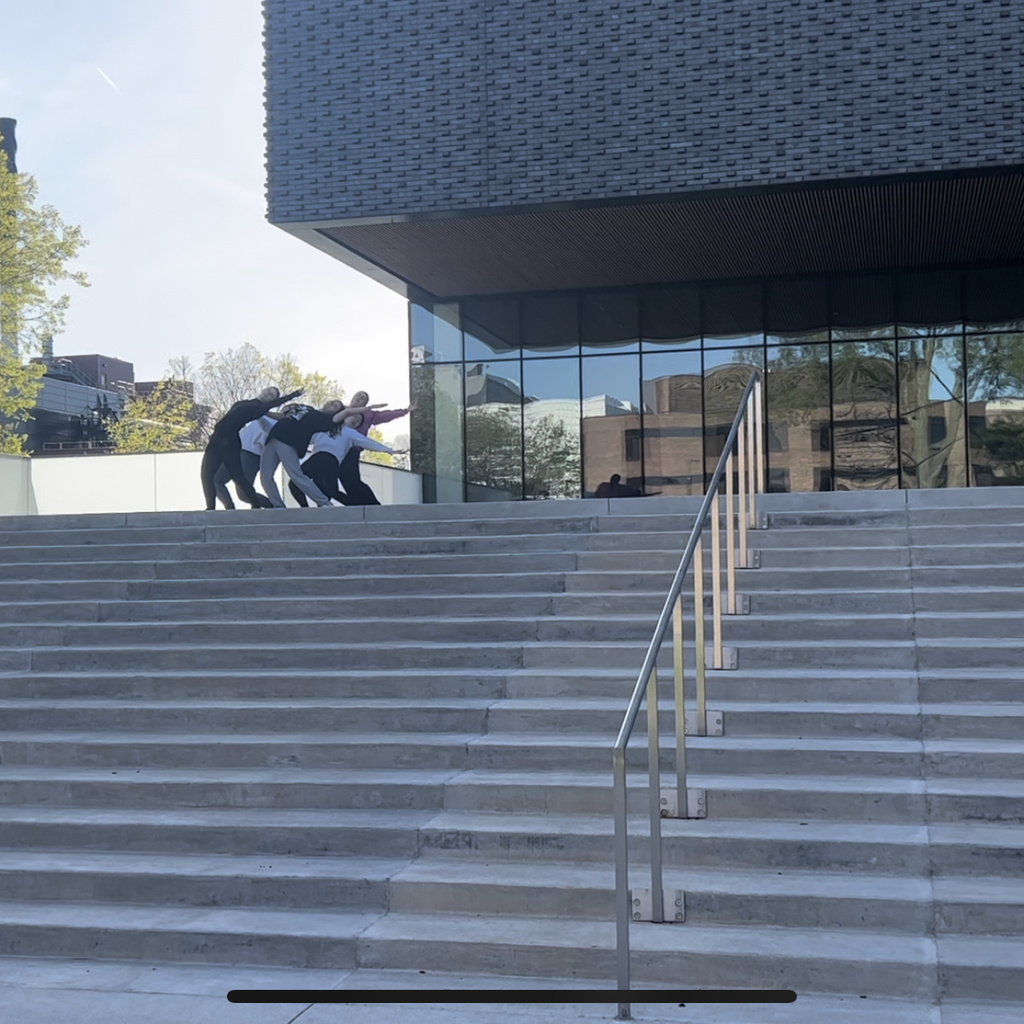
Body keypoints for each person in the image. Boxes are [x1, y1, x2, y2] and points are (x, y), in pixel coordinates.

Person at [260, 399, 383, 508]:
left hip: (288, 441)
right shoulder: (308, 408)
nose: (333, 404)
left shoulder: (328, 420)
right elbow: (282, 416)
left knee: (296, 475)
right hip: (272, 438)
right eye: (333, 402)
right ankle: (278, 506)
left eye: (336, 406)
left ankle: (323, 502)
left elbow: (347, 413)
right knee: (265, 477)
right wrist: (265, 412)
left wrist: (368, 408)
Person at [201, 387, 302, 510]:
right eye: (268, 390)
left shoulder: (260, 411)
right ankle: (217, 508)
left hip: (246, 451)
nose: (268, 392)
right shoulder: (246, 405)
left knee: (239, 483)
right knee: (211, 477)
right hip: (219, 441)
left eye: (272, 395)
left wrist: (294, 394)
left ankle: (267, 506)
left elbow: (269, 414)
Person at [288, 421, 400, 507]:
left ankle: (356, 506)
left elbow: (368, 442)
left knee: (328, 490)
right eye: (353, 418)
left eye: (357, 422)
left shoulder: (349, 432)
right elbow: (304, 437)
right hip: (318, 457)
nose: (355, 421)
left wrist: (388, 450)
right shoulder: (324, 428)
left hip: (331, 460)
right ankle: (305, 509)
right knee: (295, 483)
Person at [336, 391, 415, 506]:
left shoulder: (368, 414)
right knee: (339, 481)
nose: (359, 398)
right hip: (335, 450)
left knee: (352, 481)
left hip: (352, 451)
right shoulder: (341, 409)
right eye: (358, 395)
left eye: (363, 398)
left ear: (365, 404)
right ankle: (355, 505)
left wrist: (405, 411)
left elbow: (386, 415)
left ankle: (373, 505)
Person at [211, 414, 276, 509]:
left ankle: (272, 506)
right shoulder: (263, 415)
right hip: (235, 450)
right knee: (215, 480)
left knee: (243, 494)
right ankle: (229, 508)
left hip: (250, 454)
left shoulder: (276, 424)